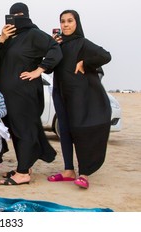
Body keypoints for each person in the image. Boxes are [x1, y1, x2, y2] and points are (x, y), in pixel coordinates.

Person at [0, 2, 62, 185]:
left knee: (24, 130)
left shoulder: (34, 34)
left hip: (25, 93)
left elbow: (55, 49)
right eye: (13, 15)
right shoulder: (10, 37)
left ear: (28, 15)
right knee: (16, 130)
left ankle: (23, 173)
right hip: (8, 95)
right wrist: (2, 38)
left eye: (21, 14)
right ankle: (25, 165)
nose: (17, 18)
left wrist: (40, 70)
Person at [47, 10, 111, 189]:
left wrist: (85, 63)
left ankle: (84, 173)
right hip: (60, 93)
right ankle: (68, 170)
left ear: (77, 23)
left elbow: (106, 55)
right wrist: (52, 46)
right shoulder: (58, 45)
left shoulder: (82, 43)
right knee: (65, 131)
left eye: (69, 21)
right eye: (62, 21)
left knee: (79, 131)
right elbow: (48, 68)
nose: (66, 24)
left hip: (78, 95)